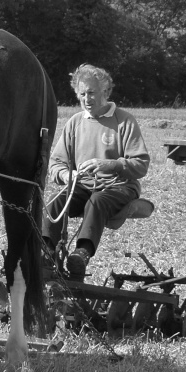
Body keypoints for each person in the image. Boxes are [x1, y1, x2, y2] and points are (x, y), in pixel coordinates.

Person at [44, 64, 150, 279]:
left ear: (106, 92)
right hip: (82, 185)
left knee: (97, 201)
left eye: (91, 93)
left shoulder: (124, 121)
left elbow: (141, 164)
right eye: (82, 94)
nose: (86, 99)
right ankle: (45, 253)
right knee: (54, 202)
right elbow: (56, 163)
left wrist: (110, 165)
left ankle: (82, 254)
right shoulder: (75, 122)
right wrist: (67, 175)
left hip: (119, 187)